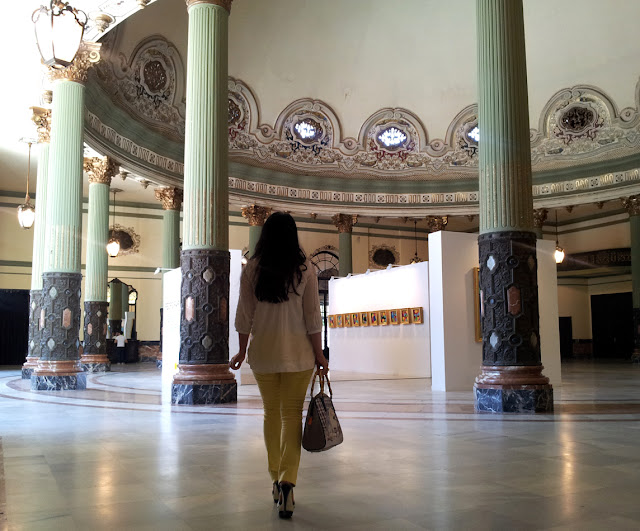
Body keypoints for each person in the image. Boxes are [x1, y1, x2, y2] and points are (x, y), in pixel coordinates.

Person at [230, 212, 329, 519]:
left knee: (271, 415)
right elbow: (313, 318)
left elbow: (245, 315)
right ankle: (288, 481)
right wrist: (320, 354)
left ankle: (275, 477)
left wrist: (242, 350)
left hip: (263, 355)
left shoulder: (253, 269)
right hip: (299, 356)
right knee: (291, 416)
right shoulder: (306, 269)